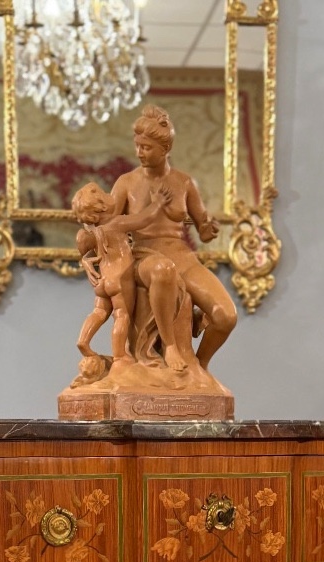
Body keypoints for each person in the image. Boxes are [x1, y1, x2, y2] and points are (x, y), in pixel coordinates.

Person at [109, 104, 237, 371]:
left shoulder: (185, 183)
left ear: (165, 149)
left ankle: (201, 366)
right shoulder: (125, 183)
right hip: (143, 256)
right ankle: (169, 346)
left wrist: (208, 229)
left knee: (225, 316)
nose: (139, 153)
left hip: (182, 256)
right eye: (138, 146)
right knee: (162, 270)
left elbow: (202, 224)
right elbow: (110, 227)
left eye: (146, 148)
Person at [71, 180, 187, 372]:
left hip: (102, 280)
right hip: (120, 278)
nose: (111, 196)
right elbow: (143, 219)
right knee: (121, 315)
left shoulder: (94, 232)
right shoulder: (117, 223)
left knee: (99, 313)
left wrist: (84, 260)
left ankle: (83, 341)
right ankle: (119, 356)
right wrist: (158, 203)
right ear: (101, 207)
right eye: (106, 195)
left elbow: (85, 251)